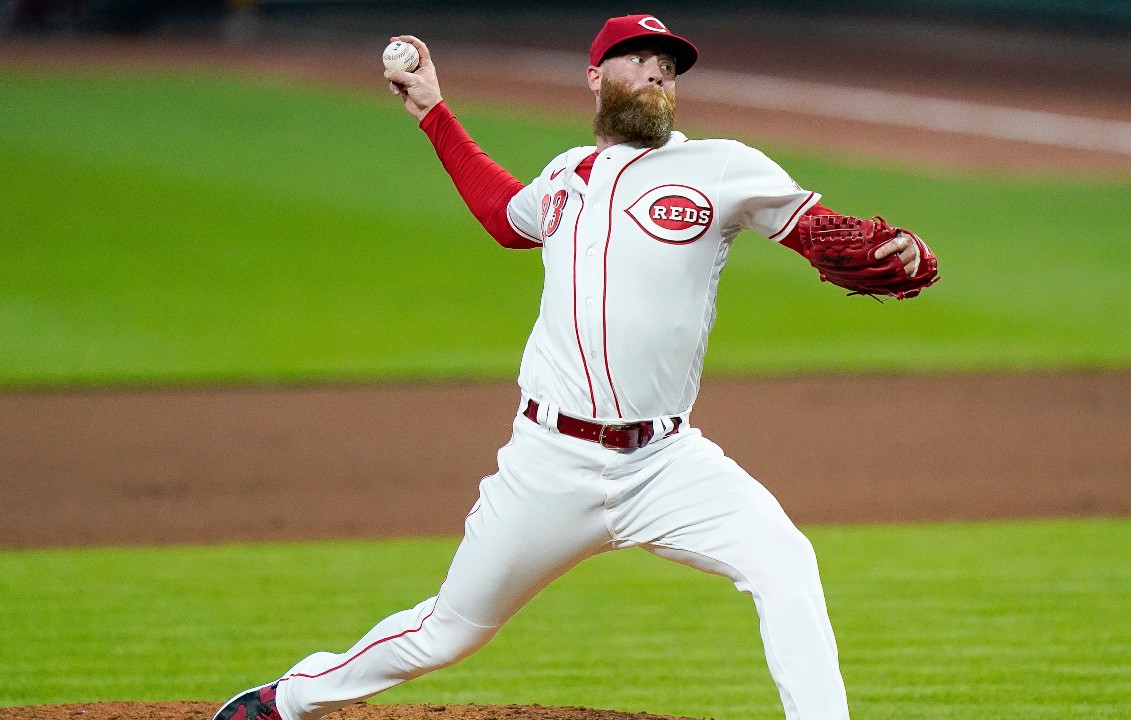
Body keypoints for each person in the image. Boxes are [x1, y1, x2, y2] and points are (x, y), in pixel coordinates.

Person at [213, 14, 936, 720]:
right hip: (547, 464)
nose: (658, 69)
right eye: (639, 56)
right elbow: (505, 218)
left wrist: (892, 249)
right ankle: (293, 698)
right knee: (448, 632)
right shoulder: (567, 173)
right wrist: (434, 112)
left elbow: (821, 234)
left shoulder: (722, 167)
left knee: (786, 562)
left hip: (665, 463)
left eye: (669, 63)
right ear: (597, 76)